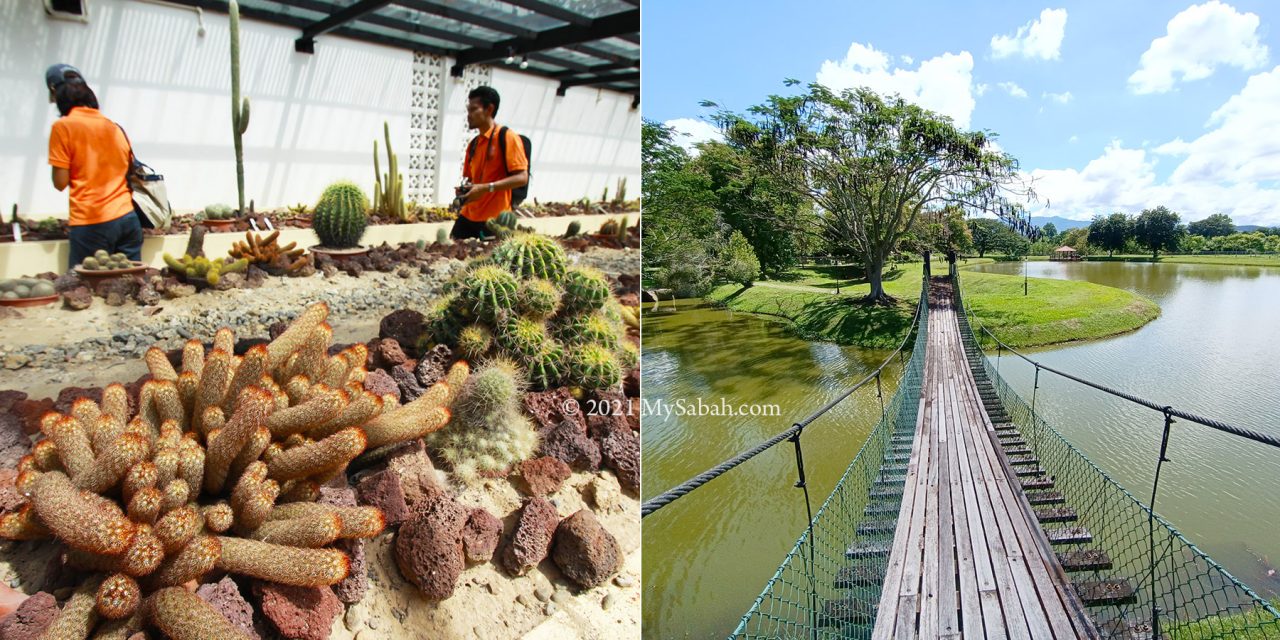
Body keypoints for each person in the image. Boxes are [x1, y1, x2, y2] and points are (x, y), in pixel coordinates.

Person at [47, 75, 143, 270]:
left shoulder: (63, 127)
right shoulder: (114, 127)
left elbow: (60, 182)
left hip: (91, 220)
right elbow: (128, 168)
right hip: (127, 218)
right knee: (130, 285)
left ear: (63, 102)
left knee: (85, 288)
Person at [451, 86, 528, 240]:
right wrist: (465, 192)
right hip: (468, 215)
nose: (469, 115)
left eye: (474, 109)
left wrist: (487, 188)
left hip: (495, 221)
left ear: (489, 109)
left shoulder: (507, 137)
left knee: (488, 263)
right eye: (468, 110)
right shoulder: (473, 144)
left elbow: (522, 177)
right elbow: (472, 180)